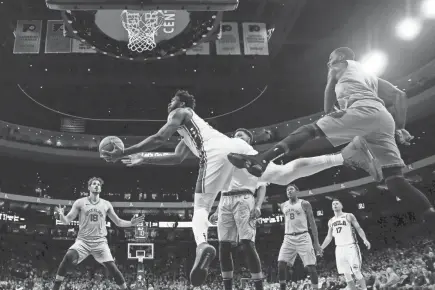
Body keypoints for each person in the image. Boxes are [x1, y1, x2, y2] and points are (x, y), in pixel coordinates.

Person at [101, 90, 380, 287]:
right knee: (282, 175)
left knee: (200, 208)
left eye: (173, 98)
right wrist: (143, 158)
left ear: (183, 102)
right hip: (237, 151)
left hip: (219, 154)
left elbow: (159, 137)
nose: (169, 103)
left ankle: (202, 246)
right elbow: (176, 156)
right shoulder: (190, 131)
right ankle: (345, 155)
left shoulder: (180, 112)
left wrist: (125, 151)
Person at [226, 47, 435, 222]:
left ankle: (262, 159)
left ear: (341, 58)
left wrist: (328, 115)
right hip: (383, 119)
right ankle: (428, 212)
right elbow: (400, 96)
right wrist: (400, 126)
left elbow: (328, 90)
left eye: (330, 59)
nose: (329, 63)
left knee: (310, 130)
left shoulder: (339, 67)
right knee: (395, 179)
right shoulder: (371, 77)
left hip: (361, 111)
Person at [52, 177, 144, 290]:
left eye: (99, 185)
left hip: (100, 242)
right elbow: (67, 220)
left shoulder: (106, 204)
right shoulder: (80, 202)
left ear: (100, 188)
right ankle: (55, 286)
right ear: (89, 187)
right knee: (68, 256)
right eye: (94, 184)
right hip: (83, 241)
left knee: (112, 268)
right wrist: (61, 215)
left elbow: (118, 222)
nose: (97, 186)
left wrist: (131, 223)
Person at [277, 184, 322, 290]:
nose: (289, 191)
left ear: (297, 191)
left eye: (291, 189)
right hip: (288, 238)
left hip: (303, 236)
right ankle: (282, 288)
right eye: (287, 190)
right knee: (281, 264)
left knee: (311, 267)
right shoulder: (283, 205)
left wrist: (316, 242)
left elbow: (312, 223)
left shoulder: (305, 203)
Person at [320, 199, 371, 290]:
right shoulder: (331, 221)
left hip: (351, 246)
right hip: (339, 248)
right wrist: (321, 248)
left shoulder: (348, 216)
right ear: (332, 207)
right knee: (346, 274)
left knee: (356, 271)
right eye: (333, 204)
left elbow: (358, 228)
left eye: (337, 203)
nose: (335, 205)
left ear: (341, 206)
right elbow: (329, 237)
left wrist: (365, 239)